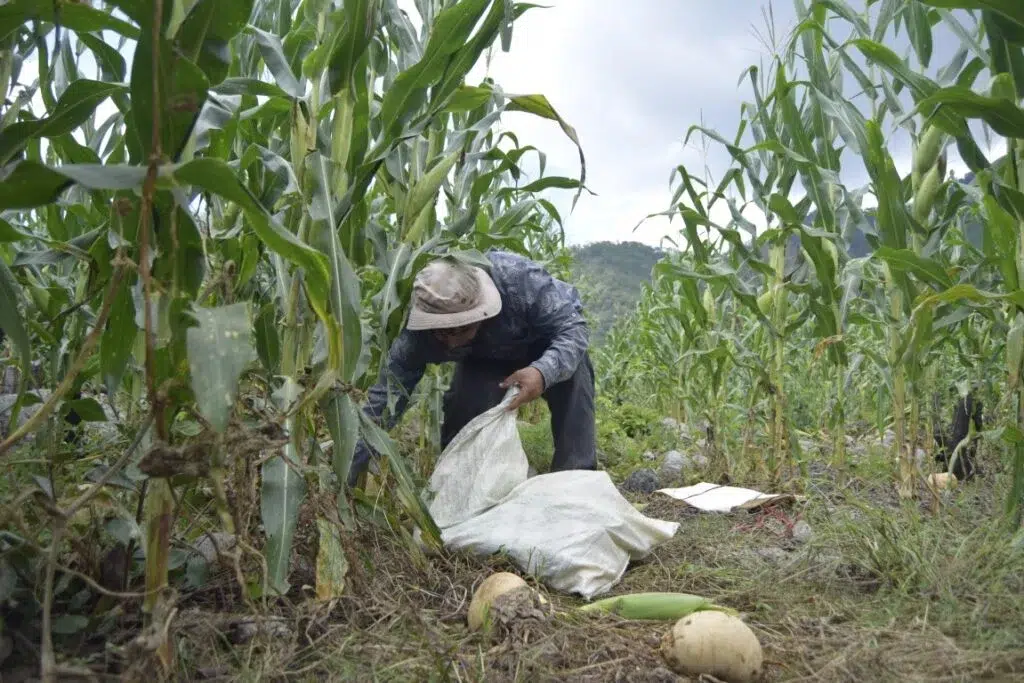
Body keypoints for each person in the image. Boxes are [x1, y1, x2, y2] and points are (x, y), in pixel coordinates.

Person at [347, 250, 597, 488]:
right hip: (484, 361)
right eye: (443, 332)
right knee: (463, 412)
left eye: (461, 328)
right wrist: (346, 468)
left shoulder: (518, 281)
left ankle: (574, 483)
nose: (452, 341)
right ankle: (457, 488)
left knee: (575, 382)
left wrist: (542, 372)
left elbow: (573, 328)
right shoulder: (417, 339)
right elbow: (385, 400)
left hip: (544, 347)